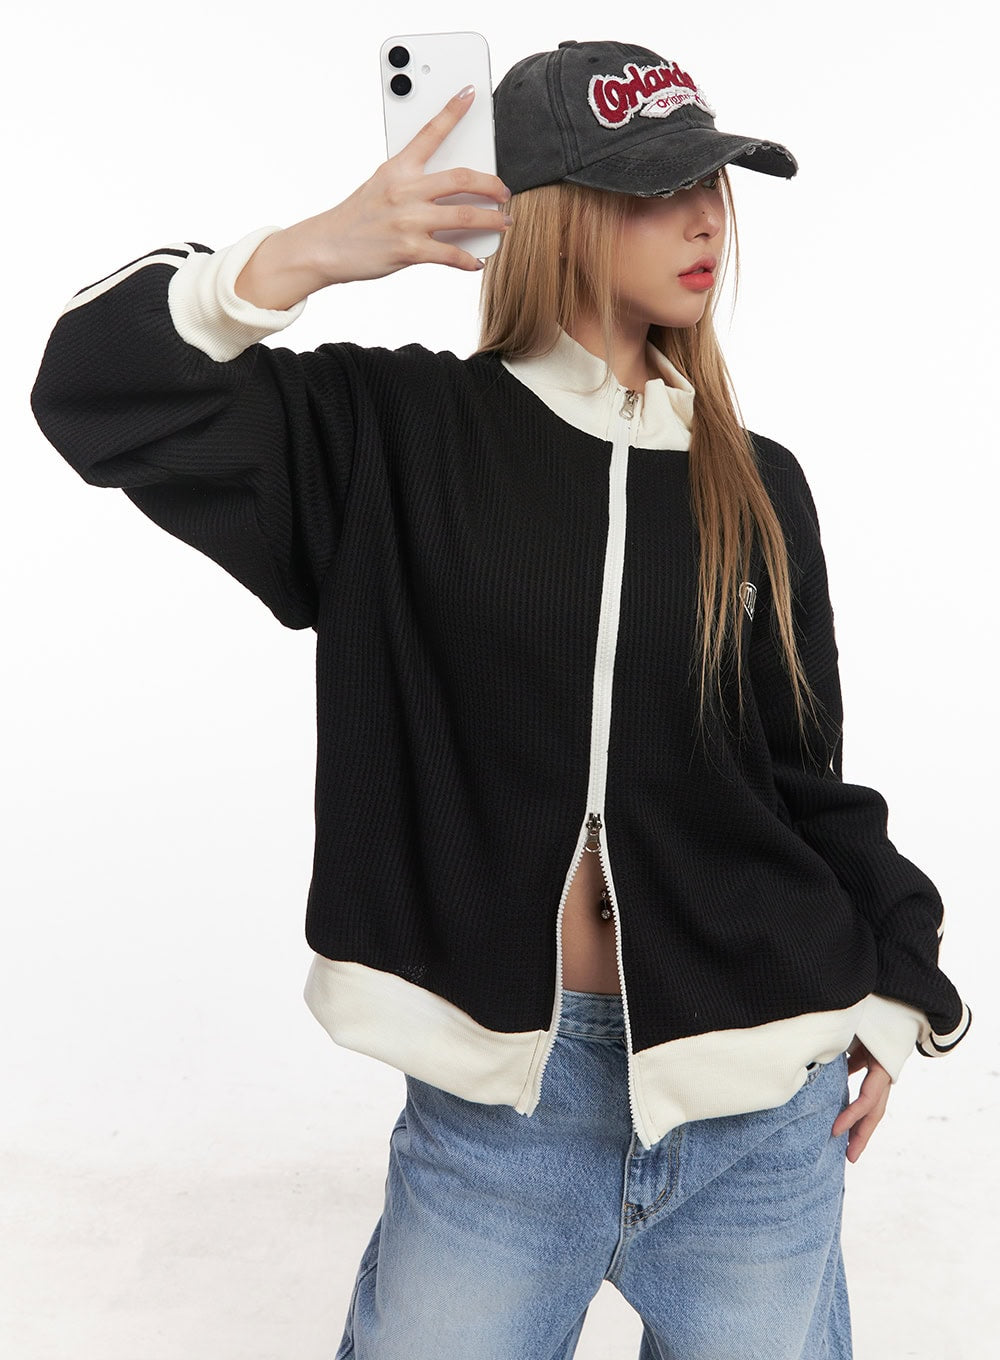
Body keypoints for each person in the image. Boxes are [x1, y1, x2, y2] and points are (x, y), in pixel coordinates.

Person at [30, 37, 971, 1360]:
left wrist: (892, 983)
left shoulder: (759, 484)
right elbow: (96, 393)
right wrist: (312, 253)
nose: (706, 218)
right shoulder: (389, 434)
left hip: (762, 1119)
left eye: (714, 182)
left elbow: (800, 777)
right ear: (551, 214)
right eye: (655, 189)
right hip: (501, 1127)